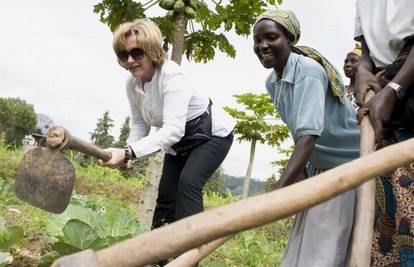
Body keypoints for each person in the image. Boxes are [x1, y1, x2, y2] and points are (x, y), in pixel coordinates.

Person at [100, 18, 235, 239]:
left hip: (210, 136)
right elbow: (140, 124)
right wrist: (128, 154)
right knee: (166, 197)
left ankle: (189, 256)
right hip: (178, 145)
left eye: (137, 52)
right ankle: (158, 258)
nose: (131, 60)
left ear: (152, 50)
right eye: (124, 55)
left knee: (188, 183)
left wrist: (128, 152)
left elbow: (173, 130)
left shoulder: (171, 75)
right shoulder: (132, 83)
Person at [253, 10, 360, 266]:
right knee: (306, 245)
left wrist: (278, 191)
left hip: (349, 164)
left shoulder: (309, 71)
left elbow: (309, 134)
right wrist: (300, 177)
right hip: (320, 166)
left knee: (326, 248)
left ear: (290, 40)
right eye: (257, 40)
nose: (262, 46)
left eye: (271, 37)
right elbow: (297, 128)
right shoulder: (273, 82)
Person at [353, 1, 414, 265]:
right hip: (390, 103)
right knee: (391, 209)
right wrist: (364, 70)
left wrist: (394, 89)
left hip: (401, 89)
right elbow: (366, 48)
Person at [343, 43, 361, 109]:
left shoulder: (369, 93)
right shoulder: (340, 91)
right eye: (346, 61)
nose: (347, 64)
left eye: (353, 61)